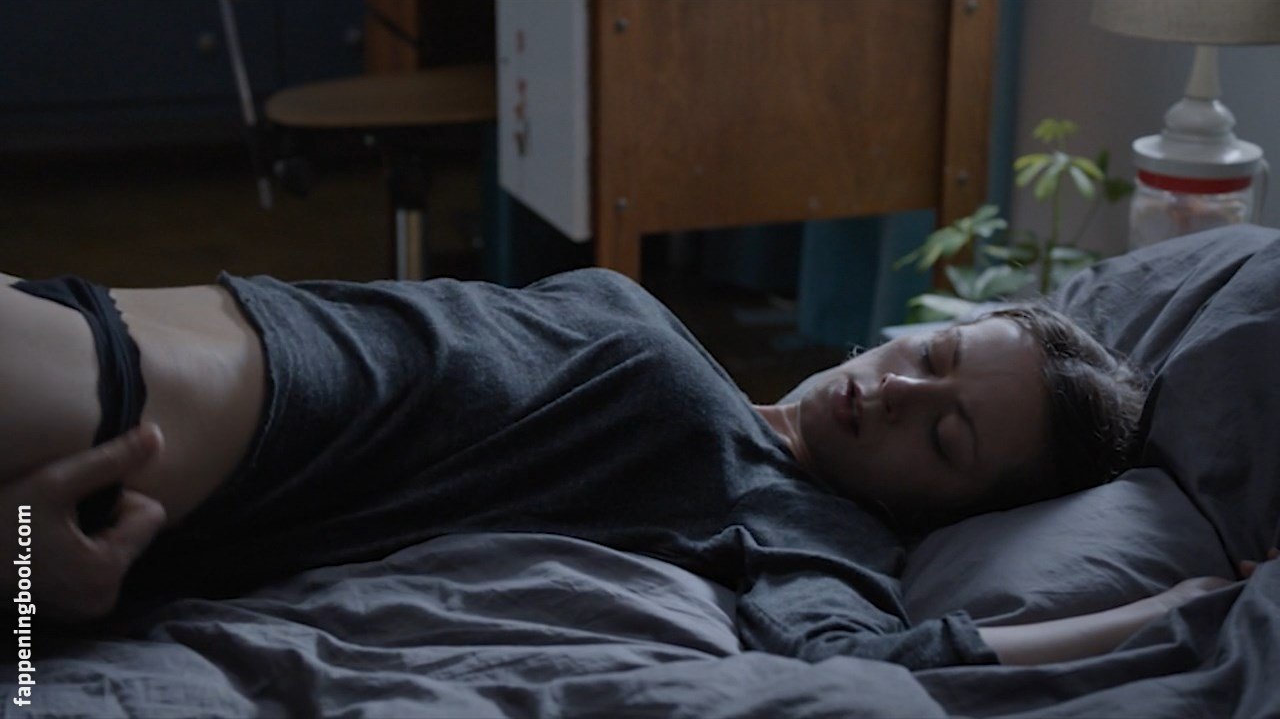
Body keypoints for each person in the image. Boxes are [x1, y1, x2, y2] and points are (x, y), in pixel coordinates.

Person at [0, 267, 1261, 669]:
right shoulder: (727, 388)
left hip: (150, 417)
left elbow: (881, 667)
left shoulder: (799, 521)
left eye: (944, 437)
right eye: (931, 356)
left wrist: (1166, 608)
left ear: (949, 507)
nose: (897, 391)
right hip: (95, 317)